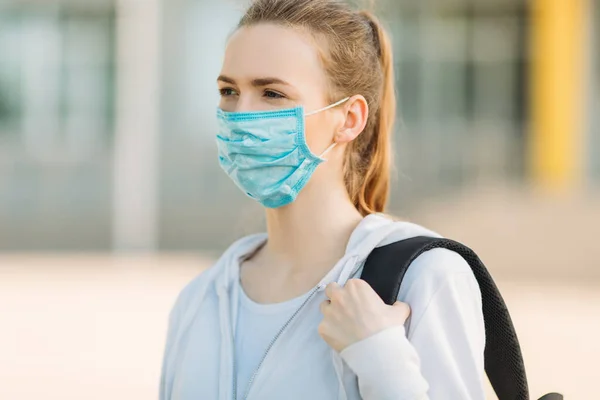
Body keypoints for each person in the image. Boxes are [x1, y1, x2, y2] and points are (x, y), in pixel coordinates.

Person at [160, 0, 485, 399]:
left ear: (349, 118)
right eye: (229, 90)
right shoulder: (201, 300)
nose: (240, 114)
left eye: (272, 93)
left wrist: (382, 359)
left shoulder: (425, 278)